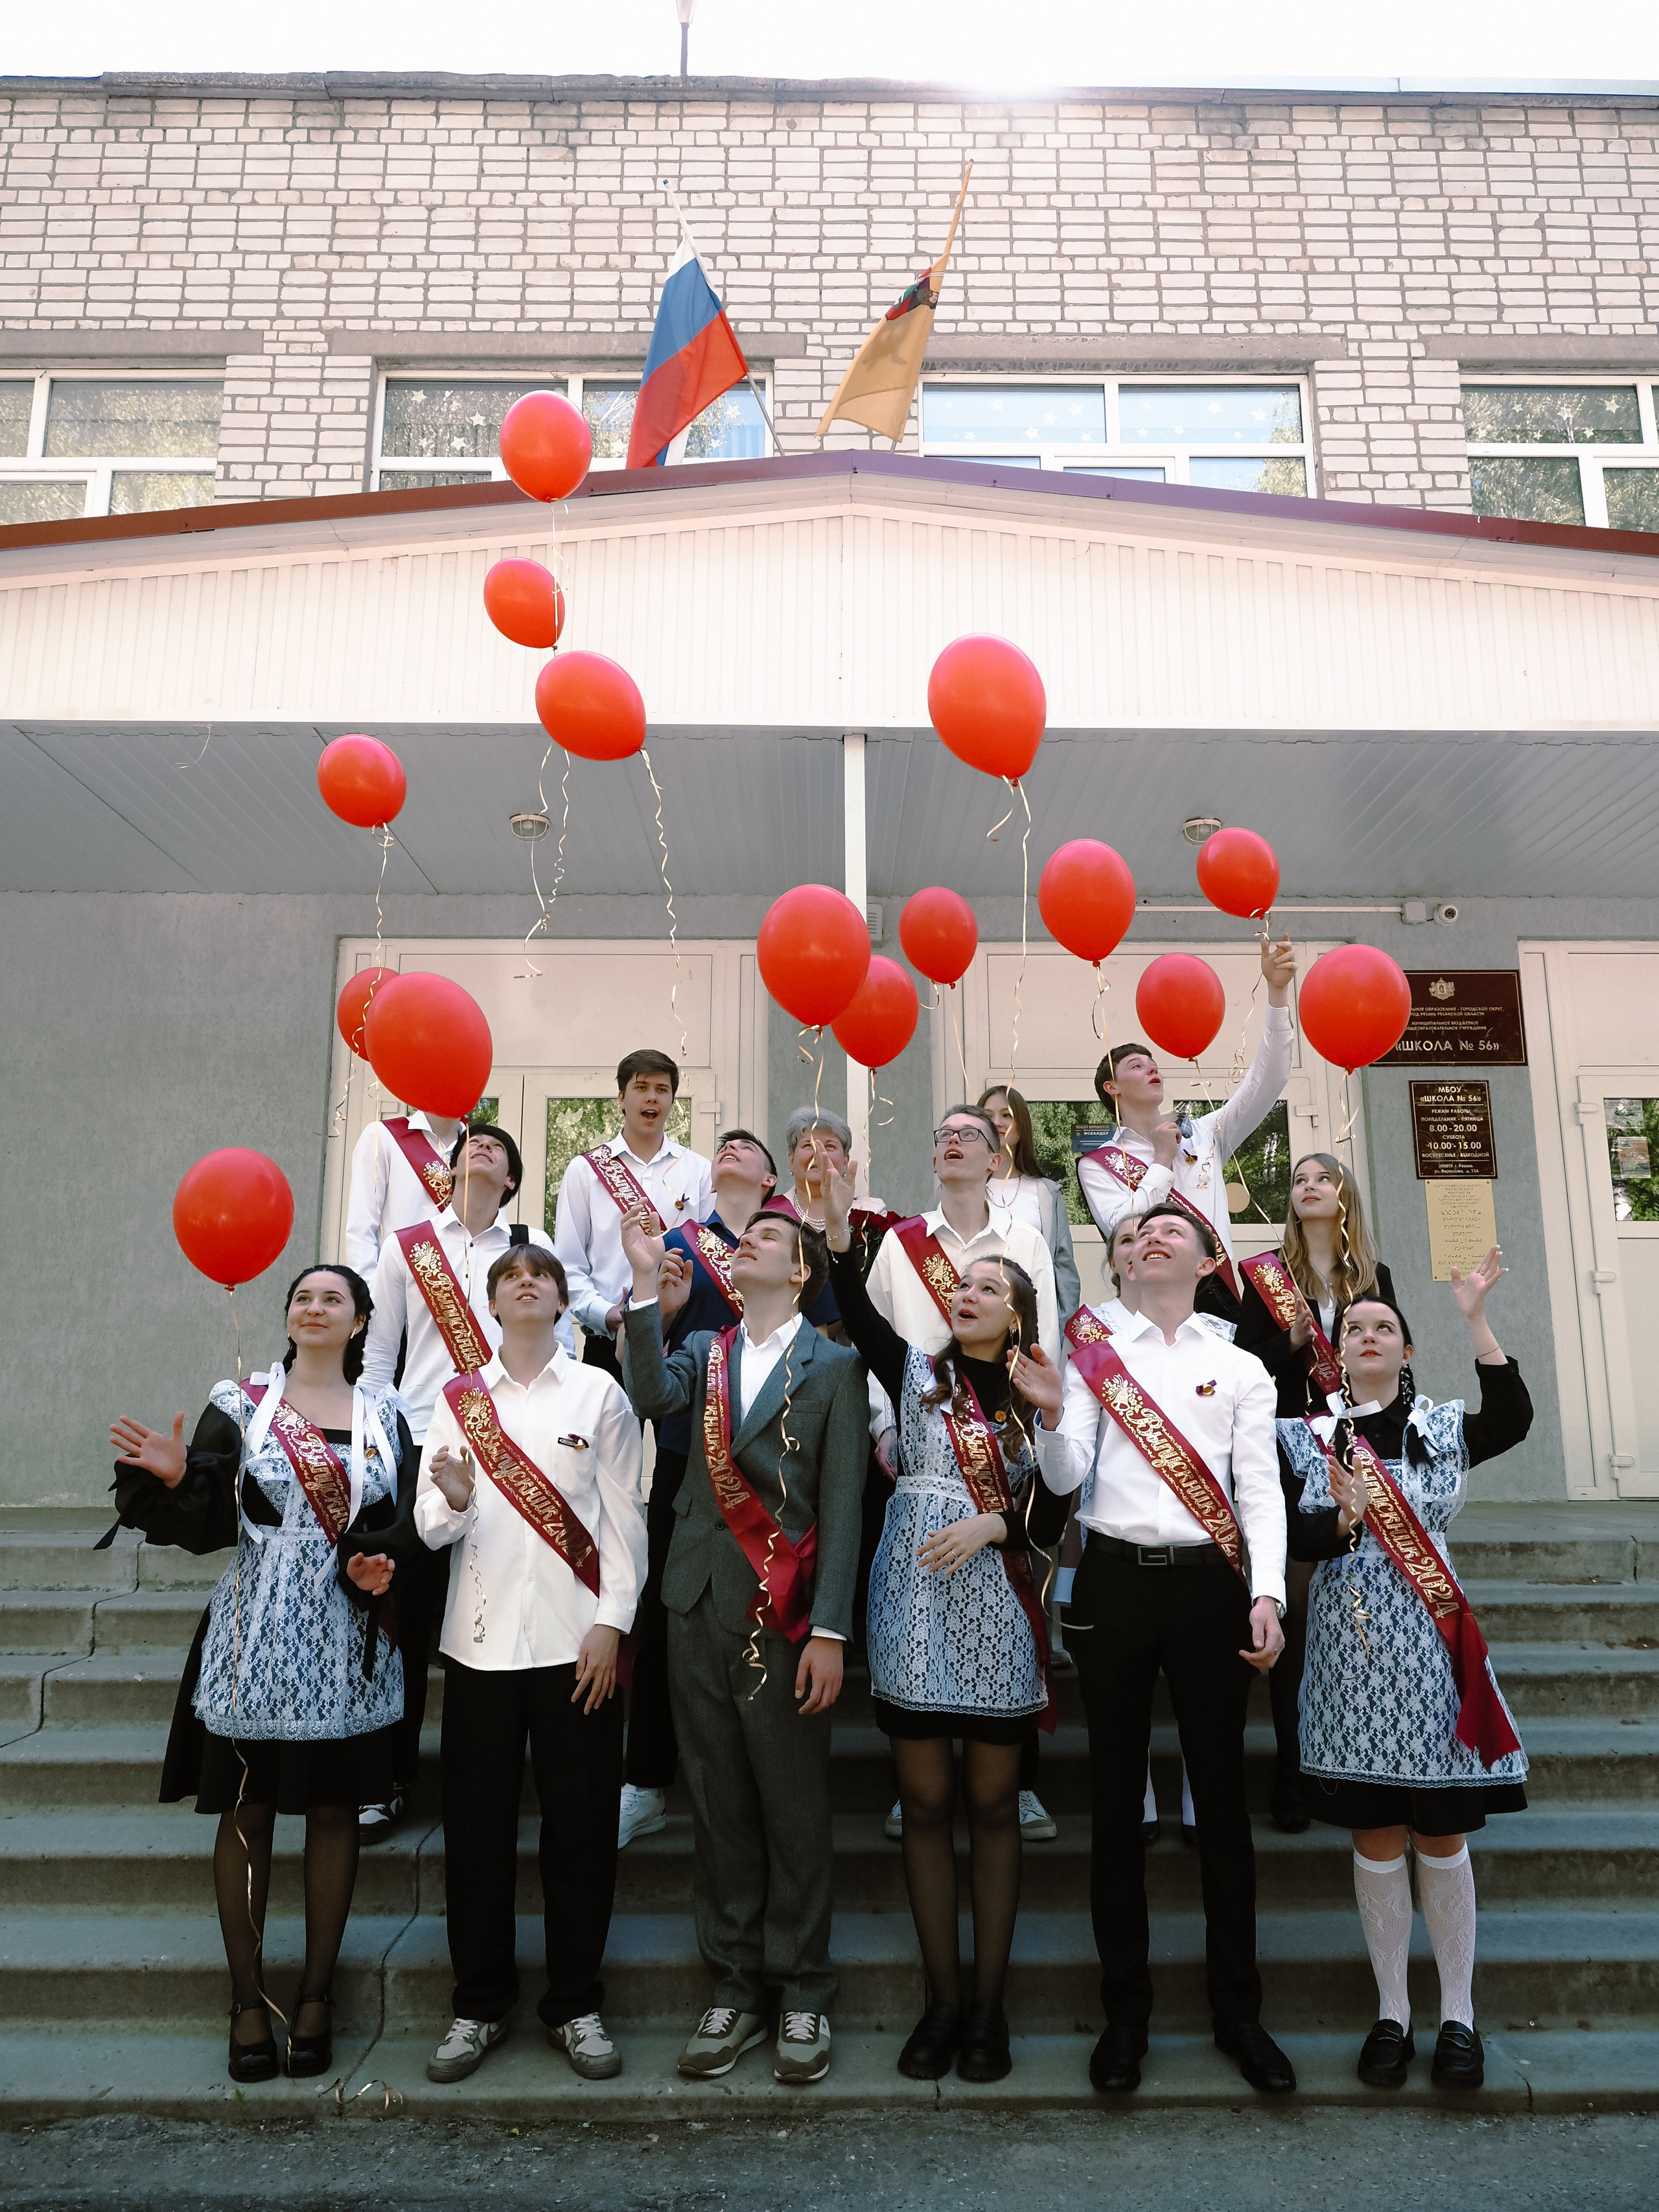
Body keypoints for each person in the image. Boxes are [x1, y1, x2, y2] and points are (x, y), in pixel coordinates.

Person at [108, 1265, 417, 2083]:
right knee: (247, 1811)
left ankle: (315, 1998)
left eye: (332, 1299)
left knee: (332, 1811)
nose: (313, 1307)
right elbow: (209, 1524)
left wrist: (380, 1562)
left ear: (359, 1324)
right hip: (254, 1638)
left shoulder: (387, 1416)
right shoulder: (243, 1403)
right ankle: (247, 2001)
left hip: (348, 1643)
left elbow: (400, 1523)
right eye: (302, 1297)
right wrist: (180, 1475)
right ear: (287, 1317)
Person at [1023, 1202, 1294, 2098]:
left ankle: (1239, 2014)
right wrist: (1052, 1418)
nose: (1151, 1238)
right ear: (1121, 1267)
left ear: (1209, 1257)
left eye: (1169, 1230)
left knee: (1221, 1806)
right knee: (1114, 1807)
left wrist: (1267, 1592)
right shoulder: (1098, 1356)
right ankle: (1125, 2018)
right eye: (1133, 1236)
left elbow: (1259, 1489)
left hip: (1211, 1588)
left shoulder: (1241, 1364)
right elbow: (1064, 1483)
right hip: (1113, 1584)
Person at [618, 1201, 867, 2088]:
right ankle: (733, 1982)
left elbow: (842, 1507)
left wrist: (832, 1629)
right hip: (692, 1600)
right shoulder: (705, 1350)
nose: (746, 1243)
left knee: (792, 1805)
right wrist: (650, 1289)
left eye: (765, 1236)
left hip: (786, 1613)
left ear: (799, 1268)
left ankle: (802, 1984)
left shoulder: (836, 1365)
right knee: (719, 1802)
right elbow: (651, 1396)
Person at [820, 1153, 1051, 2084]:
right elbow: (854, 1299)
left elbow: (1070, 1500)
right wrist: (840, 1224)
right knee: (922, 1805)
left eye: (988, 1284)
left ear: (1017, 1312)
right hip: (914, 1598)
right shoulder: (916, 1372)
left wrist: (1001, 1519)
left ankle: (990, 2011)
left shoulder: (1041, 1393)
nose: (966, 1290)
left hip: (999, 1599)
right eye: (963, 1282)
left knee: (993, 1805)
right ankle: (940, 2003)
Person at [1278, 1249, 1531, 2093]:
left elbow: (1515, 1416)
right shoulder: (1307, 1437)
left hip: (1436, 1658)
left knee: (1443, 1833)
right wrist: (1341, 1519)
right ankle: (1393, 2012)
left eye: (1385, 1326)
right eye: (1355, 1328)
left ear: (1407, 1349)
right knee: (1377, 1835)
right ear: (1338, 1354)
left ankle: (1458, 2014)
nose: (1370, 1335)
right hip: (1352, 1665)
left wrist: (1476, 1318)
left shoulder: (1440, 1426)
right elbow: (1289, 1537)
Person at [417, 1244, 646, 2085]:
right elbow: (431, 1527)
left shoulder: (600, 1393)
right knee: (476, 1836)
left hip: (574, 1646)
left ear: (560, 1300)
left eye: (540, 1274)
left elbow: (625, 1524)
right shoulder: (458, 1402)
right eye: (510, 1273)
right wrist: (454, 1496)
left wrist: (612, 1623)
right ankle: (477, 2004)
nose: (525, 1281)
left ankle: (576, 2003)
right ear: (491, 1299)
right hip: (478, 1647)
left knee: (580, 1834)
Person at [864, 1104, 1063, 1843]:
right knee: (919, 1612)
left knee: (1010, 1605)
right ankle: (920, 1783)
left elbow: (1043, 1335)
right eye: (940, 1133)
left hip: (1004, 1427)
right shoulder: (899, 1244)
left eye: (967, 1134)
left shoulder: (1025, 1238)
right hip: (919, 1430)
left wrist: (1047, 1424)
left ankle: (1019, 1783)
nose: (950, 1142)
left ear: (995, 1154)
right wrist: (886, 1427)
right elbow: (873, 1344)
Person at [358, 1121, 552, 1835]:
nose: (482, 1147)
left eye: (498, 1148)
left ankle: (499, 1781)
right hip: (419, 1445)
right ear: (446, 1167)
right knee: (404, 1618)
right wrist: (380, 1456)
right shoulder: (405, 1246)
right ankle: (389, 1775)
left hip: (510, 1451)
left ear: (510, 1179)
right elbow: (379, 1362)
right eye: (472, 1142)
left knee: (499, 1605)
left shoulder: (531, 1251)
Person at [616, 1127, 780, 1852]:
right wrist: (665, 1304)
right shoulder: (678, 1242)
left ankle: (772, 1778)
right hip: (690, 1458)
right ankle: (647, 1779)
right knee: (663, 1612)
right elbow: (637, 1363)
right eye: (724, 1145)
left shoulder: (791, 1242)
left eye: (749, 1146)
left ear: (772, 1179)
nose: (732, 1148)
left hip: (781, 1460)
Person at [1236, 1151, 1398, 1834]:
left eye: (1321, 1178)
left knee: (1356, 1602)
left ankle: (1353, 1756)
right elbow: (1242, 1364)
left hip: (1353, 1445)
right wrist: (1291, 1341)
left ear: (1343, 1196)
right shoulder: (1268, 1277)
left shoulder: (1375, 1276)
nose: (1307, 1186)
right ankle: (1292, 1768)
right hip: (1284, 1446)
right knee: (1296, 1609)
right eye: (1298, 1179)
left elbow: (1391, 1359)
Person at [1077, 934, 1297, 1316]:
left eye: (1153, 1064)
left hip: (1217, 1290)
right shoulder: (1097, 1163)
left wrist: (1277, 995)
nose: (1152, 1068)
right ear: (1112, 1088)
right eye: (1136, 1066)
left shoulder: (1206, 1132)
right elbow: (1124, 1229)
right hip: (1147, 1294)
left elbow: (1269, 1079)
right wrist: (1163, 1159)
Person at [552, 1048, 713, 1381]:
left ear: (672, 1099)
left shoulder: (698, 1170)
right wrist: (608, 1314)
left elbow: (709, 1256)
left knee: (679, 1437)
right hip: (607, 1340)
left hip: (684, 1341)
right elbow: (568, 1265)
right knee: (607, 1435)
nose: (651, 1098)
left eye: (662, 1089)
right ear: (622, 1097)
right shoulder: (586, 1171)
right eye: (641, 1088)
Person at [765, 1105, 897, 1336]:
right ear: (791, 1159)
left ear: (845, 1161)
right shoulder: (770, 1215)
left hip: (858, 1337)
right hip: (781, 1335)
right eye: (808, 1145)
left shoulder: (871, 1212)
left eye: (830, 1146)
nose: (819, 1153)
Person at [977, 1084, 1082, 1320]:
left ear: (1022, 1126)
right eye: (988, 1116)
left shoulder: (1046, 1192)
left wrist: (1063, 1325)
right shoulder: (961, 1188)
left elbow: (1063, 1268)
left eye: (1007, 1115)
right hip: (977, 1314)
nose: (997, 1122)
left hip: (1034, 1317)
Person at [342, 1099, 467, 1276]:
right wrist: (370, 1297)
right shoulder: (384, 1136)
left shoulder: (483, 1150)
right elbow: (361, 1229)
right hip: (397, 1288)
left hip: (464, 1294)